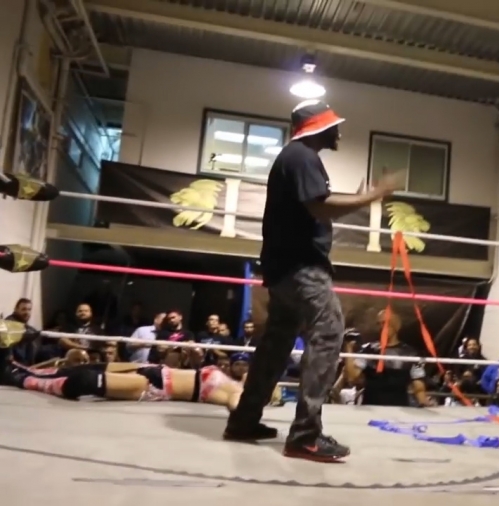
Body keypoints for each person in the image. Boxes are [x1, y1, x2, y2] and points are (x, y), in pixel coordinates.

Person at [225, 100, 403, 462]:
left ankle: (244, 419)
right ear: (319, 127)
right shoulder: (302, 157)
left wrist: (361, 196)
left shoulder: (295, 158)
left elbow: (317, 203)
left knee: (276, 344)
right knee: (329, 331)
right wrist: (373, 195)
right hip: (301, 268)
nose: (339, 132)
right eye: (334, 126)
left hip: (283, 268)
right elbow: (319, 207)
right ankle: (306, 435)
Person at [2, 359, 245, 409]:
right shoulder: (229, 377)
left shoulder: (236, 391)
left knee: (84, 381)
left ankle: (20, 379)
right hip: (150, 368)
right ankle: (19, 368)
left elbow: (237, 406)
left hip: (153, 386)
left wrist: (247, 401)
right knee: (83, 368)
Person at [342, 310, 431, 407]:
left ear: (396, 326)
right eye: (379, 324)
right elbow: (352, 376)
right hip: (371, 405)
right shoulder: (368, 349)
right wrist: (349, 349)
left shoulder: (411, 354)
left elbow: (418, 385)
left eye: (385, 323)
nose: (382, 327)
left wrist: (423, 403)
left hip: (399, 407)